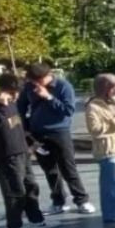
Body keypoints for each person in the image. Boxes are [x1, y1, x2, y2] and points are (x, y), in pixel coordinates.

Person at [0, 73, 49, 228]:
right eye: (13, 92)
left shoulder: (12, 104)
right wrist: (0, 106)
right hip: (7, 154)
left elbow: (17, 127)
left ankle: (35, 219)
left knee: (31, 186)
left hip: (21, 151)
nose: (16, 96)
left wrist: (30, 144)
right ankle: (13, 227)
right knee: (15, 191)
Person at [18, 63, 93, 215]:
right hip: (37, 133)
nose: (36, 85)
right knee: (49, 169)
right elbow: (21, 107)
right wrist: (26, 129)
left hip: (59, 131)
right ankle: (58, 200)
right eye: (33, 82)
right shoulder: (29, 87)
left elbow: (68, 110)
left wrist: (48, 97)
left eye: (39, 81)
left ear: (48, 75)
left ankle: (81, 200)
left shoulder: (63, 86)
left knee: (68, 168)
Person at [84, 73, 115, 223]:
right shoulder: (93, 106)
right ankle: (111, 213)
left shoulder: (114, 101)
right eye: (114, 87)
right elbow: (95, 129)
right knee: (109, 183)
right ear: (106, 88)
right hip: (106, 149)